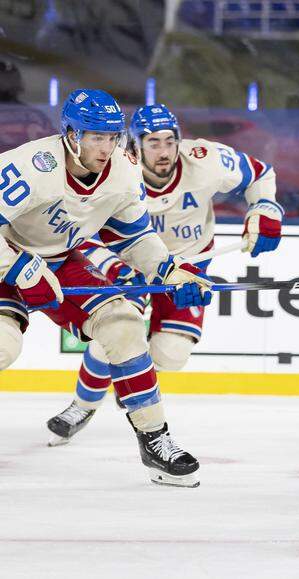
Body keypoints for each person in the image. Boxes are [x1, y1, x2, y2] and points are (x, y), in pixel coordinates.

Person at [0, 89, 212, 487]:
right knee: (3, 346)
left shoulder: (123, 170)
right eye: (95, 136)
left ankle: (156, 441)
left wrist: (168, 270)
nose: (106, 146)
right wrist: (21, 270)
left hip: (61, 261)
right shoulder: (33, 165)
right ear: (70, 134)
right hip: (6, 258)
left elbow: (133, 236)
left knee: (124, 325)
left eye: (112, 136)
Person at [45, 103, 282, 445]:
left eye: (170, 141)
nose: (164, 151)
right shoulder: (114, 173)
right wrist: (112, 267)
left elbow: (260, 174)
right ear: (134, 146)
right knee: (109, 336)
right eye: (153, 142)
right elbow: (81, 231)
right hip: (131, 265)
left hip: (188, 269)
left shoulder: (206, 160)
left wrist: (264, 208)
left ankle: (130, 378)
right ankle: (82, 405)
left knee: (171, 354)